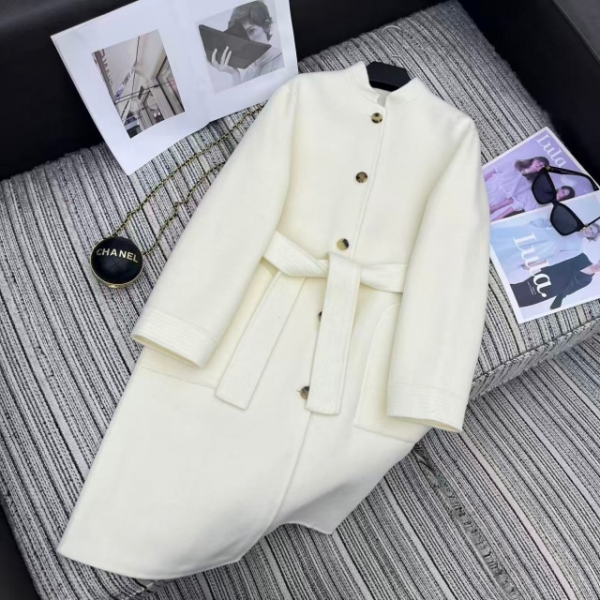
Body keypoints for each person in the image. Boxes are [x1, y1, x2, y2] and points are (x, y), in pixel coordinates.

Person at [491, 217, 600, 281]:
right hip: (534, 234)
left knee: (511, 258)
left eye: (592, 233)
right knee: (504, 241)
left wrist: (534, 265)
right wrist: (532, 226)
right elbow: (547, 221)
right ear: (588, 225)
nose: (589, 231)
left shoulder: (578, 248)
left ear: (591, 237)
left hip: (540, 250)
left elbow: (555, 259)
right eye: (591, 228)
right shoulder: (570, 223)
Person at [209, 2, 284, 85]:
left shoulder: (283, 61)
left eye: (251, 31)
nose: (246, 40)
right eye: (241, 34)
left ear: (267, 27)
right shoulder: (248, 70)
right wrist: (234, 74)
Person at [486, 156, 576, 221]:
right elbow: (494, 171)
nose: (540, 164)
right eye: (539, 161)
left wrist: (496, 208)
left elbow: (516, 198)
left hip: (499, 198)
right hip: (490, 185)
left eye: (542, 166)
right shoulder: (515, 163)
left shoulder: (530, 183)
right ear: (534, 159)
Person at [510, 253, 600, 310]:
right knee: (521, 288)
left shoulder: (588, 280)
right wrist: (540, 265)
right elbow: (560, 260)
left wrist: (558, 300)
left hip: (551, 291)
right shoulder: (582, 257)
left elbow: (570, 290)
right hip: (546, 276)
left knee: (526, 300)